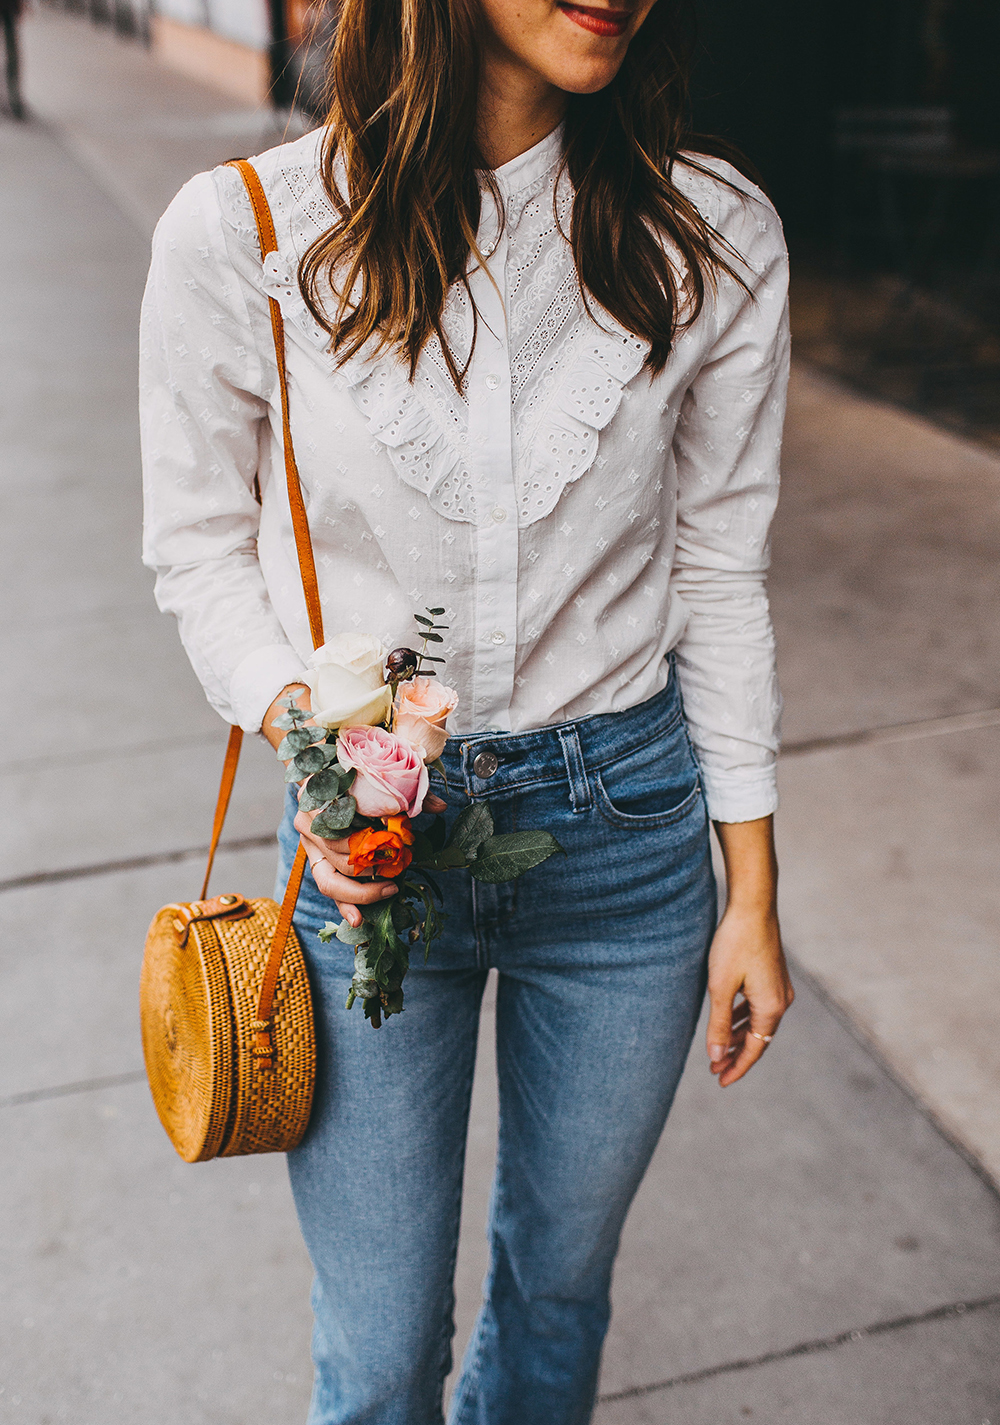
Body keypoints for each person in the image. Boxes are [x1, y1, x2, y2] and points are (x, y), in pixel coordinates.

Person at [139, 0, 794, 1420]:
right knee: (378, 1359)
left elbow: (721, 572)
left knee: (556, 1306)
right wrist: (317, 744)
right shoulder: (246, 232)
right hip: (373, 860)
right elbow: (197, 547)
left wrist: (753, 889)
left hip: (628, 846)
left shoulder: (714, 233)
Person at [1, 0, 24, 121]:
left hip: (9, 6)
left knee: (12, 54)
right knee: (12, 54)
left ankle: (14, 98)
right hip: (9, 6)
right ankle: (13, 98)